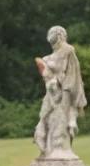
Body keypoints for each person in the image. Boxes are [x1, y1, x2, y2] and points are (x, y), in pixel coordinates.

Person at [34, 26, 86, 158]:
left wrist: (61, 86)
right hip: (51, 94)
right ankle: (49, 149)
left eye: (55, 35)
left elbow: (73, 75)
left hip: (64, 91)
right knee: (47, 119)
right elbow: (46, 74)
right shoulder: (47, 58)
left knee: (61, 119)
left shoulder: (68, 50)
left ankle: (59, 148)